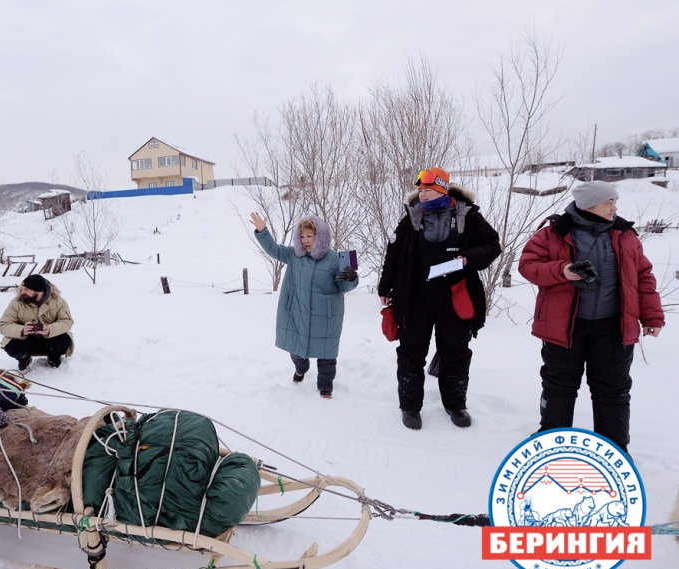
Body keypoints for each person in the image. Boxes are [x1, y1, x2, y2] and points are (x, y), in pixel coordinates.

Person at [518, 180, 664, 454]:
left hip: (613, 327)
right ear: (589, 205)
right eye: (609, 202)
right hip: (564, 326)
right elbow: (528, 266)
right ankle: (552, 441)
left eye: (615, 202)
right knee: (559, 386)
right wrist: (562, 271)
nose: (614, 208)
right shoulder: (554, 233)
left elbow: (643, 276)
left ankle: (615, 448)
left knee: (613, 389)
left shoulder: (625, 235)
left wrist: (652, 317)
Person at [377, 167, 501, 430]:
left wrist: (468, 258)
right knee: (411, 353)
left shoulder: (468, 215)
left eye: (428, 190)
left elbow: (493, 245)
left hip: (455, 298)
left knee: (455, 353)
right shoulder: (411, 217)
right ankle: (410, 407)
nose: (422, 195)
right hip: (415, 298)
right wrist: (384, 288)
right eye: (420, 190)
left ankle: (456, 405)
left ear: (443, 190)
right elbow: (393, 255)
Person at [249, 212, 358, 398]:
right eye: (302, 236)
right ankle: (301, 368)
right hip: (297, 312)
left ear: (319, 236)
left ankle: (325, 387)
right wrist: (262, 231)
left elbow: (344, 287)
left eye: (310, 235)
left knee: (326, 355)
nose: (306, 240)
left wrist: (352, 278)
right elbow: (274, 249)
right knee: (296, 350)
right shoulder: (294, 255)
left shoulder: (334, 258)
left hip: (326, 318)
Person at [0, 273, 75, 372]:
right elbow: (3, 324)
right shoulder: (17, 302)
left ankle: (53, 357)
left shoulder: (58, 301)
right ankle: (24, 358)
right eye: (22, 288)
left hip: (49, 339)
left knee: (65, 340)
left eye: (26, 289)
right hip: (26, 340)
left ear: (39, 291)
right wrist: (22, 330)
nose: (22, 291)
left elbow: (67, 321)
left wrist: (50, 329)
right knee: (11, 346)